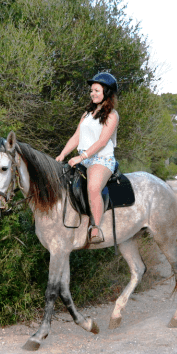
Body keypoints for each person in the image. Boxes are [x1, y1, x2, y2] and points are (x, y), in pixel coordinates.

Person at [56, 72, 120, 244]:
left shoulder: (112, 115)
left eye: (97, 90)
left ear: (107, 92)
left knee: (93, 187)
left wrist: (81, 156)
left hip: (102, 159)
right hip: (84, 159)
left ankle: (96, 228)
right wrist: (63, 154)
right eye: (92, 90)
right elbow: (76, 136)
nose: (93, 94)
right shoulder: (86, 114)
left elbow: (102, 142)